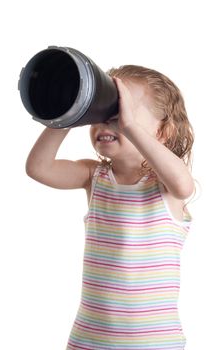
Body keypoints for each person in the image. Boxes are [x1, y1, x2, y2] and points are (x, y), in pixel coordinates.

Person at [26, 65, 195, 350]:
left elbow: (183, 185)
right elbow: (38, 168)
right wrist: (71, 112)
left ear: (163, 131)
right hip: (89, 338)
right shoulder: (94, 177)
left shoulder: (165, 185)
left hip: (153, 342)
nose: (105, 124)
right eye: (100, 116)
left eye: (117, 115)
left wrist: (129, 126)